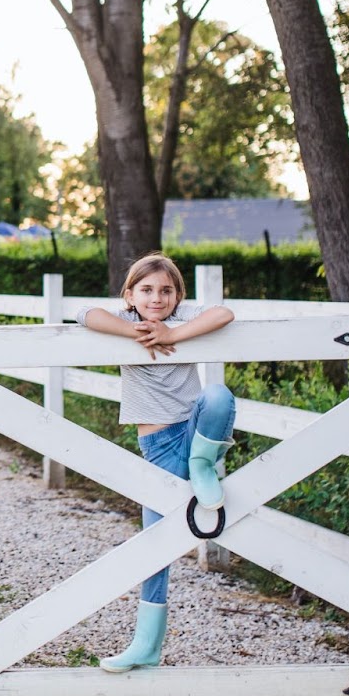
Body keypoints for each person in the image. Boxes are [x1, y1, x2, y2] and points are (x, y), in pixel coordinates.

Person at [75, 253, 236, 673]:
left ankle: (204, 466)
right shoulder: (125, 318)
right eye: (146, 290)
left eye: (166, 290)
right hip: (158, 447)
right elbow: (83, 313)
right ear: (129, 294)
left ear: (178, 295)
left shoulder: (183, 316)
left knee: (219, 395)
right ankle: (146, 645)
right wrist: (137, 332)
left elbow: (225, 312)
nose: (157, 297)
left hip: (195, 433)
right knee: (155, 547)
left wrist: (174, 333)